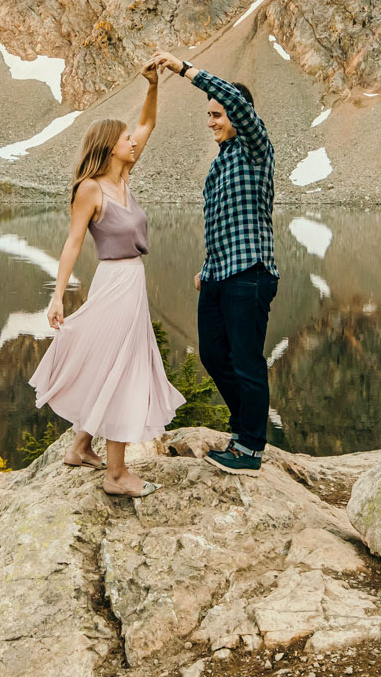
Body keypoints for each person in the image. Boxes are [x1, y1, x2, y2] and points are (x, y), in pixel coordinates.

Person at [29, 60, 184, 497]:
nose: (132, 141)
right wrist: (57, 297)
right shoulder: (91, 189)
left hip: (131, 283)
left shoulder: (125, 180)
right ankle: (116, 475)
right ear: (108, 147)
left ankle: (80, 447)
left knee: (111, 362)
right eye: (124, 139)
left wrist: (153, 85)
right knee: (124, 369)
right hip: (114, 283)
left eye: (131, 139)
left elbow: (149, 121)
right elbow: (73, 244)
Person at [149, 51, 277, 475]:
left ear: (239, 113)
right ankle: (242, 432)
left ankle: (250, 449)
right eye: (208, 116)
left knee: (246, 359)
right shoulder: (220, 163)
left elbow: (235, 103)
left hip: (250, 274)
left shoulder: (256, 149)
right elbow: (220, 221)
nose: (211, 122)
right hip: (219, 274)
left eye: (217, 114)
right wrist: (206, 267)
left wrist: (184, 69)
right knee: (213, 354)